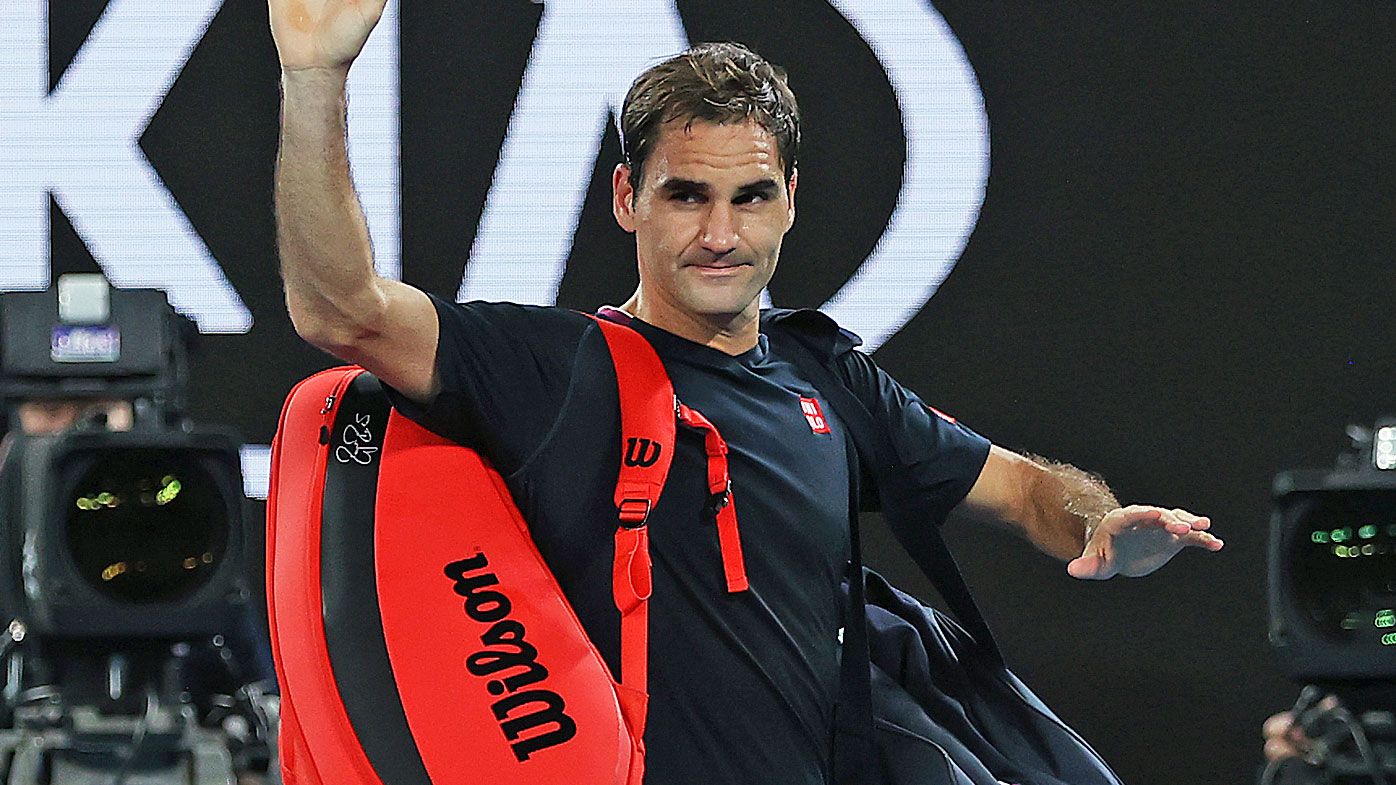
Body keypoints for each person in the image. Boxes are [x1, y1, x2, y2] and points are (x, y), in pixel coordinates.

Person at [268, 3, 1224, 782]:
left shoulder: (826, 376)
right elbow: (341, 310)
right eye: (686, 194)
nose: (720, 232)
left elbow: (1023, 489)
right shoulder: (556, 371)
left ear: (791, 201)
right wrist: (315, 80)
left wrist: (1100, 522)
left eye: (751, 196)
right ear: (626, 199)